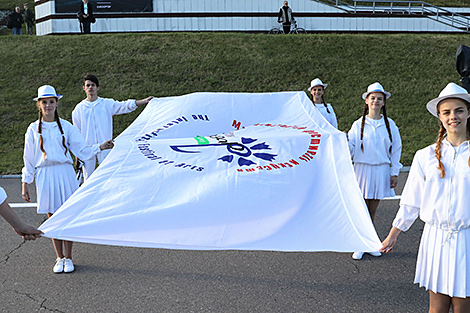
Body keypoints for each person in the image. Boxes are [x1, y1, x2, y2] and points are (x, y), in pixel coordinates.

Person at [381, 83, 470, 312]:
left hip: (467, 240)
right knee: (437, 307)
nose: (453, 117)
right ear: (439, 117)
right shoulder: (425, 156)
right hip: (436, 239)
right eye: (447, 112)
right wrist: (393, 234)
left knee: (463, 306)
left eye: (459, 110)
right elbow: (411, 200)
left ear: (468, 112)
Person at [22, 85, 114, 273]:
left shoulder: (66, 126)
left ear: (56, 104)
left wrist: (100, 147)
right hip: (46, 175)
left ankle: (69, 257)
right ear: (39, 105)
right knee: (53, 216)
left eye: (51, 102)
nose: (48, 105)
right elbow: (29, 157)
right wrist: (26, 182)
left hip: (65, 172)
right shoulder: (33, 129)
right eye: (45, 102)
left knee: (68, 214)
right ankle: (59, 257)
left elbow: (82, 149)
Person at [347, 82, 402, 260]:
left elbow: (396, 149)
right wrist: (341, 142)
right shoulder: (358, 124)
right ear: (367, 101)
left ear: (383, 102)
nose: (376, 101)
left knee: (372, 210)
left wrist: (394, 172)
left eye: (379, 99)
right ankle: (359, 243)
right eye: (373, 98)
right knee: (361, 209)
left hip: (380, 171)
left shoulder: (390, 124)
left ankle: (369, 243)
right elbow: (351, 147)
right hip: (361, 171)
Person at [72, 74, 154, 180]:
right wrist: (79, 153)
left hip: (106, 146)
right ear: (84, 88)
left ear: (98, 88)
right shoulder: (79, 109)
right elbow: (77, 134)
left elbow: (124, 106)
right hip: (88, 149)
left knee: (108, 176)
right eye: (88, 85)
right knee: (88, 179)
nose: (90, 88)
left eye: (92, 85)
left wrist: (144, 101)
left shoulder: (106, 104)